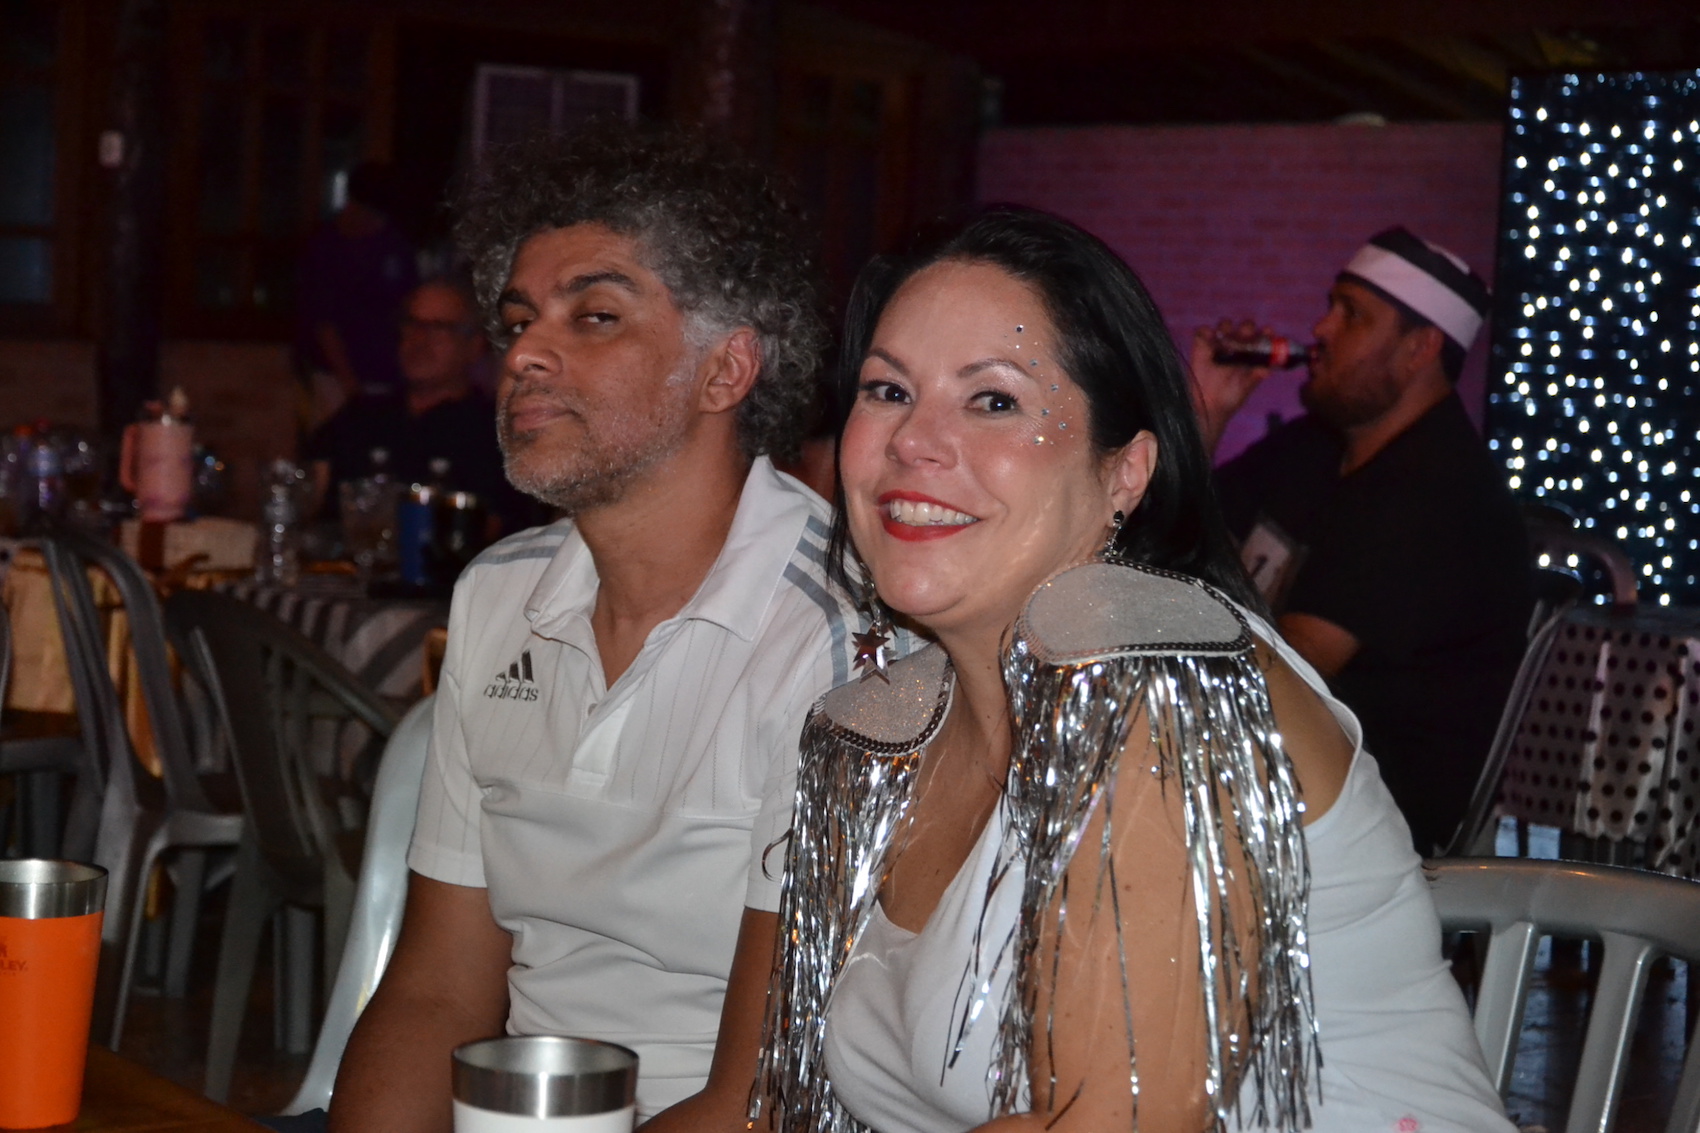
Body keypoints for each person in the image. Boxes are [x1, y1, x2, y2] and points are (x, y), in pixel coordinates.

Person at [735, 208, 1514, 1132]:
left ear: (1125, 473)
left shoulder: (1164, 692)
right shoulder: (875, 730)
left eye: (994, 400)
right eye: (887, 389)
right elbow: (765, 1106)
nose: (913, 440)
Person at [327, 123, 855, 1133]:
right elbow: (437, 988)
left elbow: (768, 1092)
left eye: (596, 315)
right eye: (519, 319)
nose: (524, 352)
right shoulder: (498, 594)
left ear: (726, 369)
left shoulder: (829, 635)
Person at [1195, 228, 1530, 854]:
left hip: (1361, 824)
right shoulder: (1316, 446)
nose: (1320, 329)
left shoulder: (1435, 491)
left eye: (1352, 315)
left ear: (1419, 348)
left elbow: (1287, 673)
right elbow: (1172, 539)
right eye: (1331, 306)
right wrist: (1206, 413)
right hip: (1266, 775)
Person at [305, 276, 536, 534]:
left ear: (475, 345)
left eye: (439, 327)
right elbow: (307, 487)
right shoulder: (361, 416)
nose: (419, 339)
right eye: (412, 323)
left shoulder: (495, 434)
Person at [297, 161, 419, 416]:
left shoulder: (394, 245)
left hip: (389, 377)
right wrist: (349, 383)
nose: (376, 222)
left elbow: (408, 306)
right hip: (334, 378)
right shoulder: (326, 248)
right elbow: (323, 323)